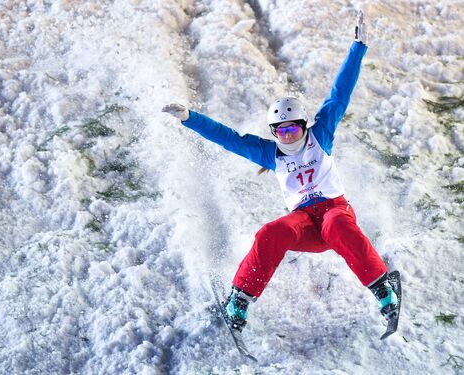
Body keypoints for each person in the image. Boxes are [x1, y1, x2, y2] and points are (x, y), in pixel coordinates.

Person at [162, 11, 399, 333]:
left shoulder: (321, 135)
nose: (288, 137)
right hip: (303, 223)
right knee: (271, 232)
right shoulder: (268, 153)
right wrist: (190, 118)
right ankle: (241, 297)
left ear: (304, 126)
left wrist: (358, 47)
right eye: (281, 131)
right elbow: (228, 137)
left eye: (293, 130)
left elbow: (339, 95)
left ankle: (382, 289)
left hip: (334, 213)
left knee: (337, 223)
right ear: (273, 132)